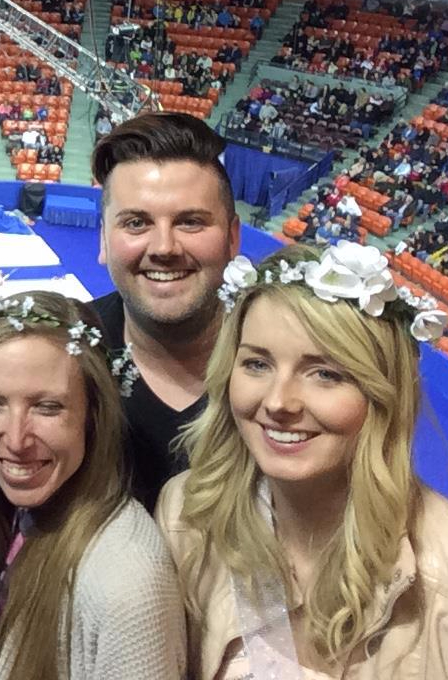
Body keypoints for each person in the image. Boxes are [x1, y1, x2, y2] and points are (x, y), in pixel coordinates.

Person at [158, 243, 448, 679]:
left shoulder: (440, 569)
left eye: (325, 373)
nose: (279, 402)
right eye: (257, 364)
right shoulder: (185, 514)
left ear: (382, 395)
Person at [0, 291, 185, 680]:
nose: (16, 440)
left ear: (94, 414)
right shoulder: (20, 515)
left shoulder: (126, 583)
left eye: (47, 407)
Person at [89, 112, 239, 510]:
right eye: (136, 223)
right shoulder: (63, 352)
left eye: (190, 222)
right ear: (103, 240)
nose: (164, 248)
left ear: (233, 238)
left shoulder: (286, 359)